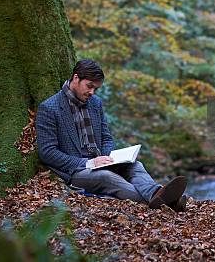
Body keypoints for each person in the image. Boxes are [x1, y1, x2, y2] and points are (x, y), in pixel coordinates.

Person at [35, 59, 188, 212]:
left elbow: (106, 137)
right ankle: (168, 203)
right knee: (107, 178)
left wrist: (111, 158)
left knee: (135, 165)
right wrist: (88, 163)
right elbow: (47, 153)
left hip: (103, 162)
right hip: (75, 171)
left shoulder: (95, 103)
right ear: (76, 78)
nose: (92, 92)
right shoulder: (49, 108)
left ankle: (156, 193)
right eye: (89, 86)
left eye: (96, 88)